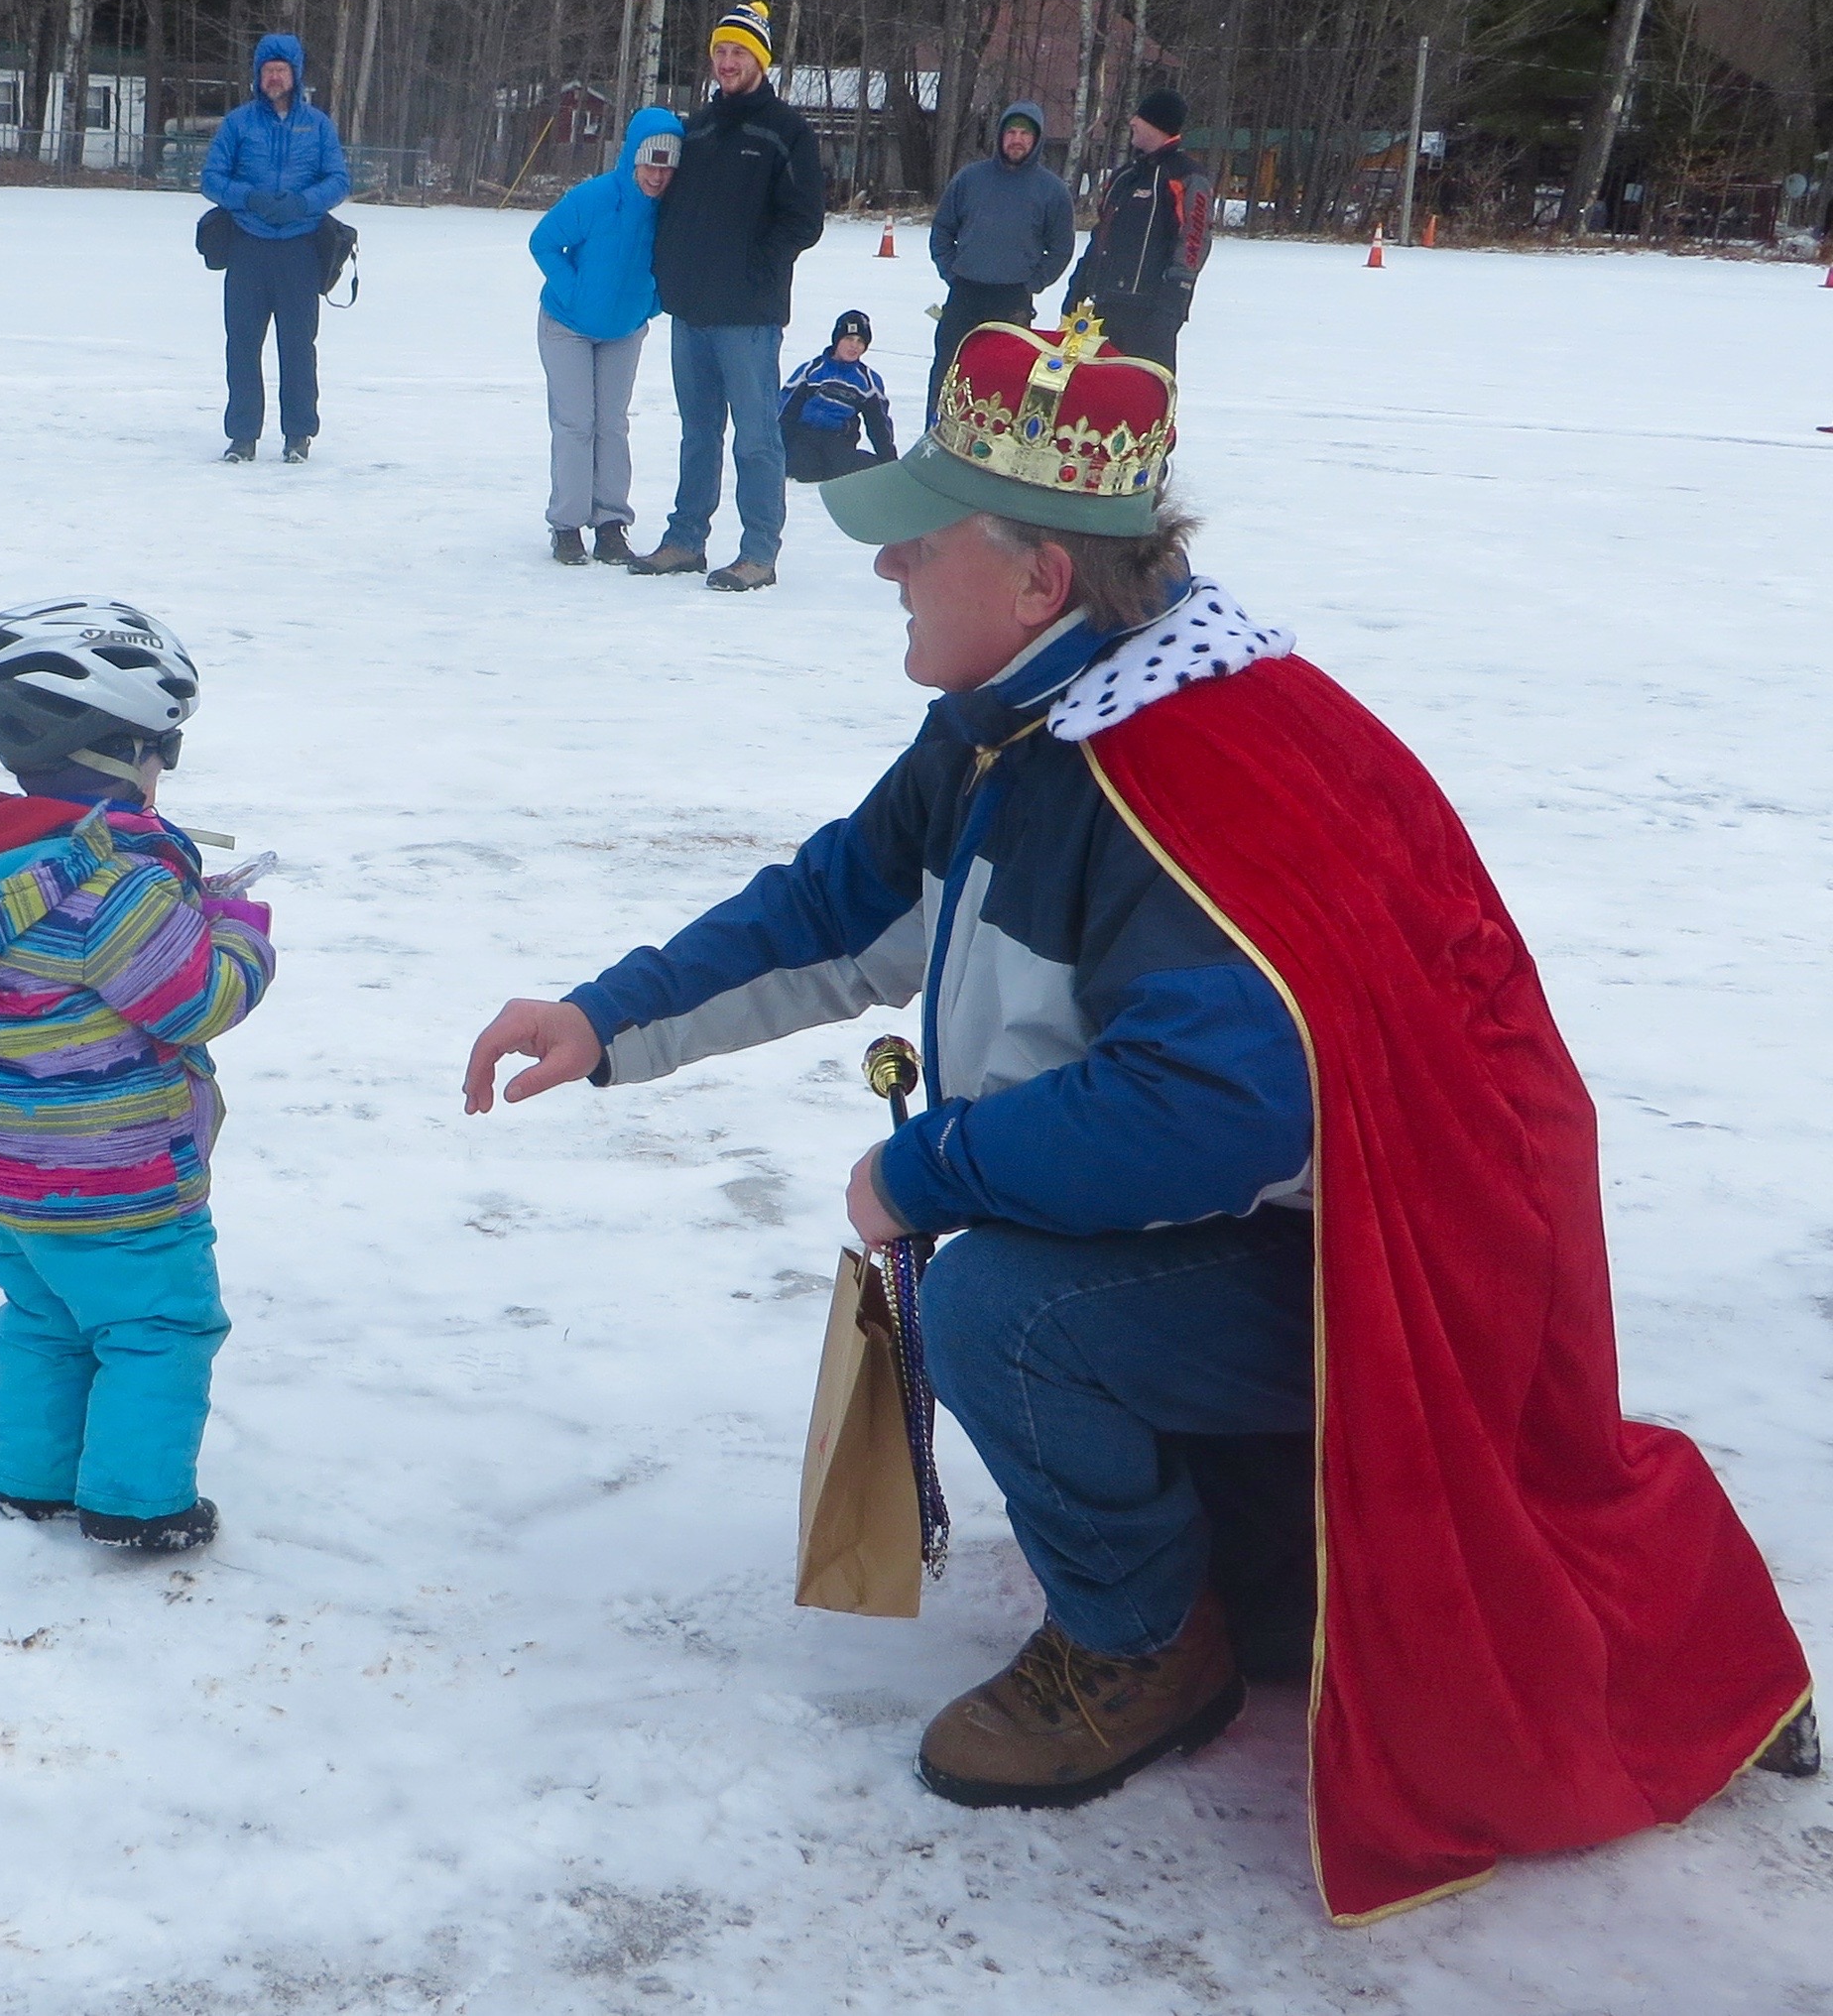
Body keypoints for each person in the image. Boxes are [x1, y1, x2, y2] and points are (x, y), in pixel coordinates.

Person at [463, 313, 1815, 1923]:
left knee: (997, 1308)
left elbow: (1210, 1107)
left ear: (1038, 576)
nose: (886, 566)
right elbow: (846, 899)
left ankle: (1135, 1648)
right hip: (1282, 1253)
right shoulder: (1019, 720)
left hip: (1378, 1294)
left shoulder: (1175, 771)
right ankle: (1247, 1561)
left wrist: (924, 1164)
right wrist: (606, 1015)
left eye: (919, 537)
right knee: (1032, 1278)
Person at [0, 599, 276, 1554]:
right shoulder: (111, 886)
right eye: (158, 751)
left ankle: (32, 1480)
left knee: (40, 1320)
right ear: (115, 754)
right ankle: (139, 1506)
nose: (164, 771)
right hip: (126, 1181)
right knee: (158, 1333)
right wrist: (238, 931)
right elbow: (198, 1000)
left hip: (11, 1175)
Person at [629, 1, 825, 593]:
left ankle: (759, 552)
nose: (727, 62)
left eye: (739, 52)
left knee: (757, 435)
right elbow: (674, 211)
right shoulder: (700, 128)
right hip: (691, 311)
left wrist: (756, 270)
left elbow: (804, 220)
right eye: (720, 51)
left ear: (760, 60)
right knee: (698, 431)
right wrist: (672, 274)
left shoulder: (786, 132)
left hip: (748, 315)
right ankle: (686, 539)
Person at [527, 109, 683, 566]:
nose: (657, 176)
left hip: (624, 331)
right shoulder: (594, 198)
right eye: (650, 164)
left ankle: (612, 522)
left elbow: (671, 267)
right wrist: (572, 291)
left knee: (612, 424)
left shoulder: (669, 213)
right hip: (567, 327)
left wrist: (649, 303)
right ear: (632, 158)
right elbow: (543, 241)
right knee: (576, 423)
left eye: (667, 167)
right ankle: (568, 525)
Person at [200, 35, 351, 464]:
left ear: (296, 74)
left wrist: (304, 203)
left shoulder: (318, 125)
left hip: (299, 250)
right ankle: (243, 436)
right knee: (243, 344)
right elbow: (211, 178)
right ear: (257, 75)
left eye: (282, 69)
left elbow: (338, 180)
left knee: (298, 345)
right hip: (248, 247)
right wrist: (248, 197)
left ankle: (298, 434)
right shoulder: (238, 124)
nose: (274, 77)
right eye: (267, 70)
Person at [925, 101, 1074, 422]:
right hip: (965, 293)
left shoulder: (1052, 191)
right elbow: (942, 230)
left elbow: (1061, 248)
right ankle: (934, 437)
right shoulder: (970, 179)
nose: (1016, 140)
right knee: (948, 370)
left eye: (1024, 133)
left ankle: (993, 448)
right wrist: (950, 271)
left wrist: (1033, 282)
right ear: (1000, 136)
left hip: (1013, 300)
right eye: (1010, 132)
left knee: (1004, 377)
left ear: (1036, 141)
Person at [1060, 87, 1212, 372]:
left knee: (1143, 398)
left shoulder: (1187, 177)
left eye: (1139, 118)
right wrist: (1079, 285)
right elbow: (1100, 235)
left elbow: (1194, 241)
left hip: (1151, 312)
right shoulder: (1123, 177)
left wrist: (1173, 301)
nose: (1131, 122)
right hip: (1104, 307)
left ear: (1157, 125)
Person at [777, 309, 897, 483]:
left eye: (860, 341)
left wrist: (889, 462)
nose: (854, 346)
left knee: (845, 472)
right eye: (849, 339)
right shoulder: (812, 370)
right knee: (803, 472)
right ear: (837, 340)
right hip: (804, 436)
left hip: (838, 440)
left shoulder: (867, 381)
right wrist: (778, 448)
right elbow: (786, 410)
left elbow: (878, 424)